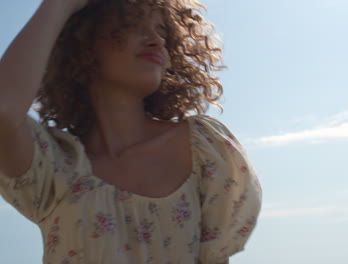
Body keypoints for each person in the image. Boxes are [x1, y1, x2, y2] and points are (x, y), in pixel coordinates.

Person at [0, 0, 262, 263]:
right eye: (132, 24)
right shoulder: (56, 166)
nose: (155, 40)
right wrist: (58, 5)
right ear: (84, 43)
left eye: (161, 30)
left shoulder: (203, 148)